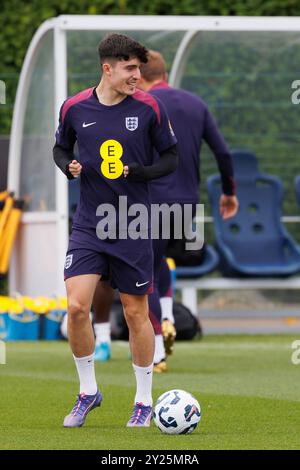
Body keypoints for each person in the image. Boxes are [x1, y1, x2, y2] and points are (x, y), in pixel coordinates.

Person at [53, 34, 178, 428]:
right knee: (76, 308)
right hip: (89, 223)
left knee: (135, 311)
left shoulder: (149, 108)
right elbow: (60, 148)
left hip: (133, 223)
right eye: (129, 68)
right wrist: (67, 166)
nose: (136, 76)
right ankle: (88, 392)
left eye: (139, 69)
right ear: (107, 68)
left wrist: (141, 171)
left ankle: (143, 400)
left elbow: (171, 157)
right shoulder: (74, 107)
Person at [92, 50, 239, 369]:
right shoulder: (195, 103)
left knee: (144, 274)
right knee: (161, 261)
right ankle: (170, 316)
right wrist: (229, 192)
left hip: (146, 205)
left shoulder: (139, 105)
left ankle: (156, 347)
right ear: (167, 74)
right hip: (186, 205)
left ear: (140, 76)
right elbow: (223, 154)